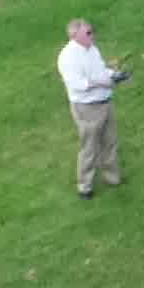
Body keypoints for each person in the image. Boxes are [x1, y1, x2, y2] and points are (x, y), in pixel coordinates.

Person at [56, 18, 128, 199]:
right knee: (89, 147)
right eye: (88, 33)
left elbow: (101, 70)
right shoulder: (67, 57)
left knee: (110, 141)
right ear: (75, 36)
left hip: (105, 101)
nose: (92, 35)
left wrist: (115, 75)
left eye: (92, 31)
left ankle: (112, 177)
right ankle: (84, 186)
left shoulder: (92, 49)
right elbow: (78, 84)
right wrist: (103, 82)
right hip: (87, 107)